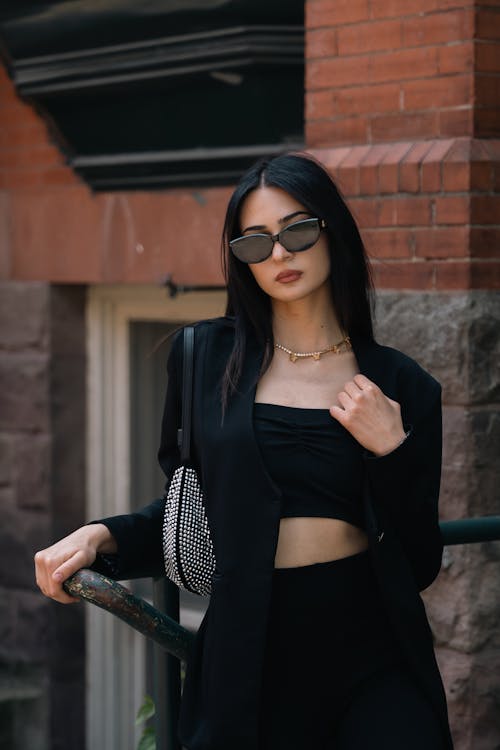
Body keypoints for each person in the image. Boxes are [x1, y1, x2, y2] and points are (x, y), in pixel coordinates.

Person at [35, 152, 454, 749]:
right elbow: (195, 512)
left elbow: (419, 562)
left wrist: (393, 451)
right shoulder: (205, 359)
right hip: (251, 649)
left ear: (333, 231)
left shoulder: (402, 385)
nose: (280, 254)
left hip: (373, 648)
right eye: (255, 243)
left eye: (298, 230)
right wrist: (104, 536)